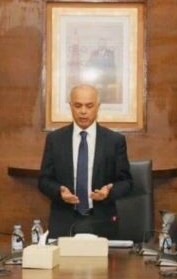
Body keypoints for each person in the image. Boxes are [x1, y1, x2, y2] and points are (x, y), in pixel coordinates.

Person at [39, 84, 132, 239]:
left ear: (98, 107)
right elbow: (44, 180)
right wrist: (59, 191)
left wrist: (108, 192)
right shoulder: (55, 140)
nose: (83, 111)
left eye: (89, 106)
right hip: (63, 220)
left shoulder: (114, 141)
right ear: (70, 106)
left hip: (102, 220)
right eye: (78, 106)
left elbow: (126, 182)